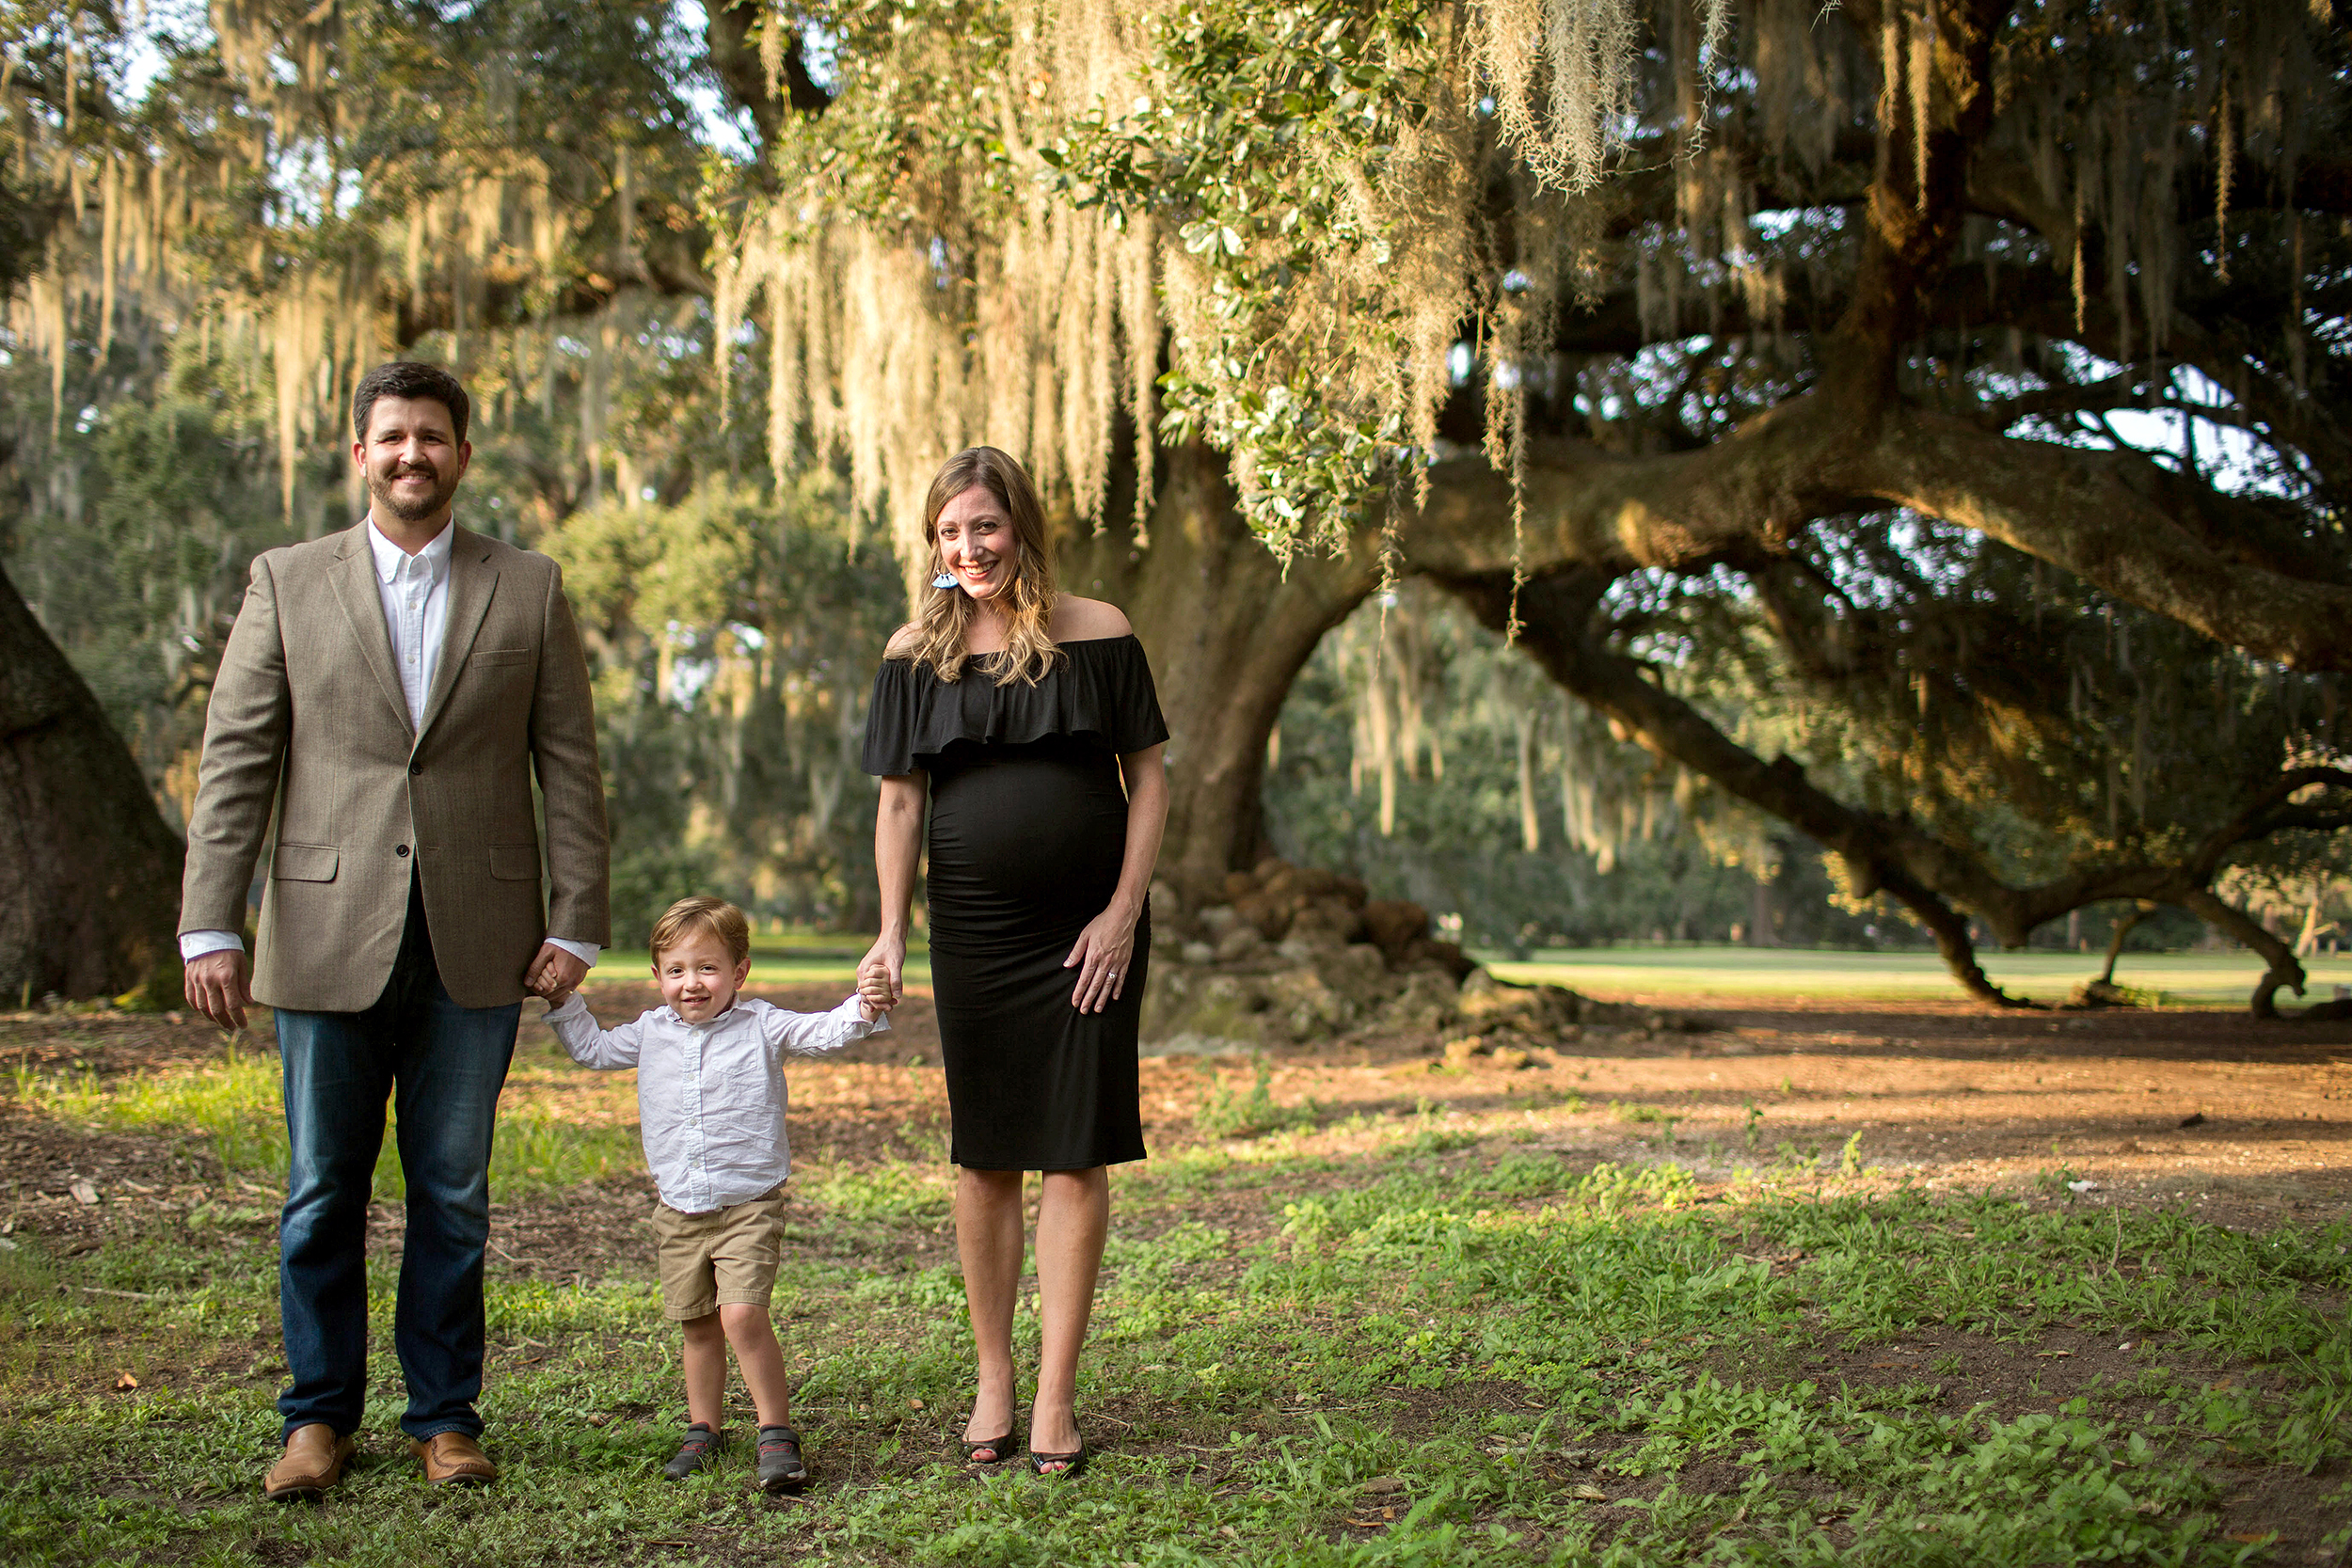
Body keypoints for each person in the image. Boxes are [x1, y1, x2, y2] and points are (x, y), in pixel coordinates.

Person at [178, 360, 610, 1500]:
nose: (413, 453)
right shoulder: (287, 579)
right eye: (393, 436)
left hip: (482, 932)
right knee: (322, 1186)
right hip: (322, 929)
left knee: (453, 1191)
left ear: (464, 455)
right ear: (358, 452)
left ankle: (444, 1417)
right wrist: (207, 923)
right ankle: (316, 1419)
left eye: (433, 436)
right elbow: (237, 759)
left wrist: (580, 922)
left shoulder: (529, 585)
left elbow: (568, 763)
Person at [857, 446, 1169, 1479]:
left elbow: (1149, 778)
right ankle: (994, 1374)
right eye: (949, 531)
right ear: (934, 544)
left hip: (1089, 933)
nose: (968, 546)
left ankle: (1054, 1394)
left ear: (1020, 525)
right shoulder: (915, 652)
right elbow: (900, 801)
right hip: (977, 937)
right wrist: (892, 929)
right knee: (984, 1153)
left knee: (1075, 1152)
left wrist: (1123, 911)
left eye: (983, 525)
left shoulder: (1100, 631)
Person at [542, 895, 895, 1492]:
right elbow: (592, 1050)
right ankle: (703, 1428)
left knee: (742, 1314)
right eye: (676, 970)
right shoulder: (650, 1033)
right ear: (656, 976)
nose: (691, 983)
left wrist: (866, 1002)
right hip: (678, 1207)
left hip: (748, 1204)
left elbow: (824, 1031)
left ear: (739, 972)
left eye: (707, 968)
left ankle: (775, 1432)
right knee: (697, 1323)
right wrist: (561, 1000)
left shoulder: (762, 1025)